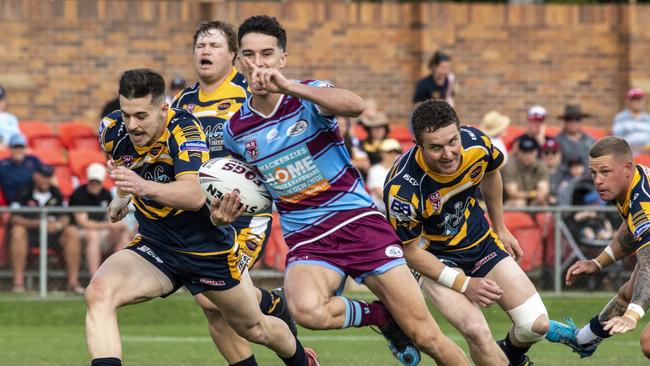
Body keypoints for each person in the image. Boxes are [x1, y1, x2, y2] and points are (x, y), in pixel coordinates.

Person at [224, 15, 469, 366]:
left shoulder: (309, 95)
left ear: (283, 58)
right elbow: (249, 188)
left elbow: (355, 105)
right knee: (307, 311)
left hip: (358, 221)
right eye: (249, 55)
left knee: (425, 335)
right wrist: (226, 212)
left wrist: (289, 86)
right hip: (307, 236)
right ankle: (380, 317)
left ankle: (401, 323)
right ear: (238, 62)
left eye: (267, 54)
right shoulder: (236, 129)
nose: (258, 64)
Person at [87, 68, 317, 366]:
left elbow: (194, 195)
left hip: (206, 248)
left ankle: (302, 361)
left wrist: (143, 187)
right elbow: (126, 166)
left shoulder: (185, 129)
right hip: (156, 246)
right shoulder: (112, 129)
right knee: (99, 292)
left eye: (141, 116)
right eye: (126, 114)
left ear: (163, 108)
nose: (132, 124)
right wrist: (122, 197)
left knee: (254, 328)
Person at [384, 99, 549, 366]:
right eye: (435, 147)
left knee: (536, 325)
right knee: (477, 331)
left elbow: (491, 174)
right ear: (417, 144)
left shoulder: (477, 143)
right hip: (434, 258)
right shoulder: (402, 190)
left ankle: (511, 355)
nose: (448, 154)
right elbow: (409, 251)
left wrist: (501, 227)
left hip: (479, 241)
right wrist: (465, 284)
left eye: (452, 141)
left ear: (461, 132)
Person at [171, 20, 295, 366]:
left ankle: (281, 320)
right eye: (200, 45)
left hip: (246, 216)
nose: (204, 51)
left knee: (215, 300)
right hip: (203, 220)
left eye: (213, 45)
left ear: (233, 56)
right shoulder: (181, 103)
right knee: (214, 308)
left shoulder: (249, 93)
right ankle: (273, 304)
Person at [546, 136, 650, 360]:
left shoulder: (642, 200)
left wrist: (632, 315)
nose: (598, 181)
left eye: (604, 172)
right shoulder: (632, 183)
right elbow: (629, 230)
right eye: (594, 173)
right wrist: (597, 262)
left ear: (627, 168)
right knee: (626, 293)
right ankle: (584, 340)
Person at [9, 164, 82, 293]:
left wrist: (58, 225)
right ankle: (18, 283)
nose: (46, 180)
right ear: (36, 176)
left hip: (52, 234)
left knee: (72, 232)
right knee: (17, 231)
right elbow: (14, 217)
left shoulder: (55, 192)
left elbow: (66, 216)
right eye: (43, 176)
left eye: (48, 177)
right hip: (30, 233)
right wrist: (38, 223)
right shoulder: (24, 190)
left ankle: (73, 283)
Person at [69, 163, 130, 277]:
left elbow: (111, 217)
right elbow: (83, 223)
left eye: (97, 182)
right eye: (92, 182)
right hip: (80, 233)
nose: (94, 185)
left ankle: (119, 276)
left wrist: (118, 225)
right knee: (92, 235)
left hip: (101, 232)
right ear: (88, 180)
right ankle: (95, 277)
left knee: (123, 233)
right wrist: (107, 225)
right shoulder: (79, 194)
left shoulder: (106, 194)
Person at [502, 135, 550, 207]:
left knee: (542, 203)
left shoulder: (541, 165)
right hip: (511, 202)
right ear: (518, 152)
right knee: (519, 202)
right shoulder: (510, 165)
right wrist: (533, 194)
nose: (528, 155)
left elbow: (543, 189)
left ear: (536, 152)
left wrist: (539, 195)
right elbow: (512, 193)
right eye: (524, 152)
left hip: (533, 200)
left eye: (531, 152)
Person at [0, 133, 42, 204]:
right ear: (10, 148)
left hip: (33, 202)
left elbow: (48, 176)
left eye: (21, 147)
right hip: (13, 205)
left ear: (25, 148)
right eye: (15, 147)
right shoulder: (3, 165)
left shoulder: (33, 160)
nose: (18, 150)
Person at [555, 104, 595, 171]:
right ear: (565, 121)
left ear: (581, 121)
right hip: (565, 179)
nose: (573, 122)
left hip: (588, 178)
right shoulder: (557, 141)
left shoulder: (591, 140)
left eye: (577, 119)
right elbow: (554, 166)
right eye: (569, 119)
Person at [366, 138, 402, 213]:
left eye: (396, 152)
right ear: (382, 153)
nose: (393, 155)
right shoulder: (374, 170)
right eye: (389, 152)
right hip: (380, 211)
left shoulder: (400, 170)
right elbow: (380, 194)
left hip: (397, 210)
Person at [612, 87, 650, 155]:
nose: (637, 102)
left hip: (647, 154)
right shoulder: (621, 118)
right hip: (628, 154)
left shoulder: (648, 119)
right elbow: (618, 139)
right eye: (634, 99)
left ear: (643, 101)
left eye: (639, 99)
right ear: (628, 101)